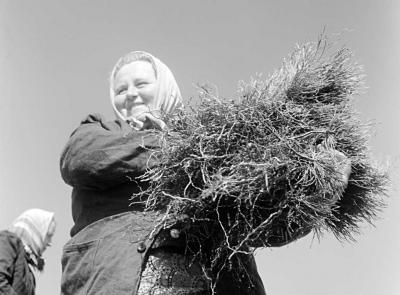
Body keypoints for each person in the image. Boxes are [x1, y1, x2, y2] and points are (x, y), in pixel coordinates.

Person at [60, 51, 351, 295]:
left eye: (141, 83)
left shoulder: (211, 142)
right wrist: (176, 149)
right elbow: (82, 158)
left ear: (162, 86)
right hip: (115, 279)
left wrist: (315, 189)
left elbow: (258, 225)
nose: (131, 94)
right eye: (121, 89)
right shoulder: (99, 130)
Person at [0, 208, 56, 295]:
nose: (49, 243)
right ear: (35, 231)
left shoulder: (28, 272)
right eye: (48, 235)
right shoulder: (8, 241)